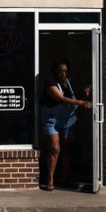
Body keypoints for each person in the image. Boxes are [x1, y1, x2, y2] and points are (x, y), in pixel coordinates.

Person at [40, 60, 92, 191]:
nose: (62, 73)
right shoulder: (50, 83)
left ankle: (64, 178)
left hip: (67, 120)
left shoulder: (68, 81)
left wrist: (84, 93)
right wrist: (82, 102)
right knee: (55, 149)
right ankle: (50, 180)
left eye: (65, 71)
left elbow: (71, 97)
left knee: (66, 149)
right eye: (59, 71)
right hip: (52, 120)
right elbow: (62, 99)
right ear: (54, 71)